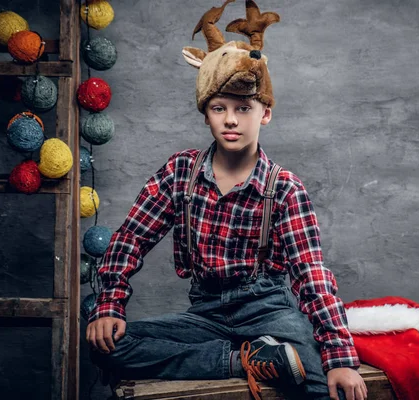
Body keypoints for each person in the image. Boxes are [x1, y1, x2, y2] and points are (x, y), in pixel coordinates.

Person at [86, 1, 367, 399]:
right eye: (219, 108)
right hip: (206, 314)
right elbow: (131, 238)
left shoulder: (283, 187)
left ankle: (264, 355)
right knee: (102, 334)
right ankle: (241, 360)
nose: (231, 120)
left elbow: (311, 274)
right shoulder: (180, 172)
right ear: (206, 115)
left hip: (268, 311)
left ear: (264, 113)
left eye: (243, 108)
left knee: (315, 379)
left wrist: (339, 357)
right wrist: (110, 303)